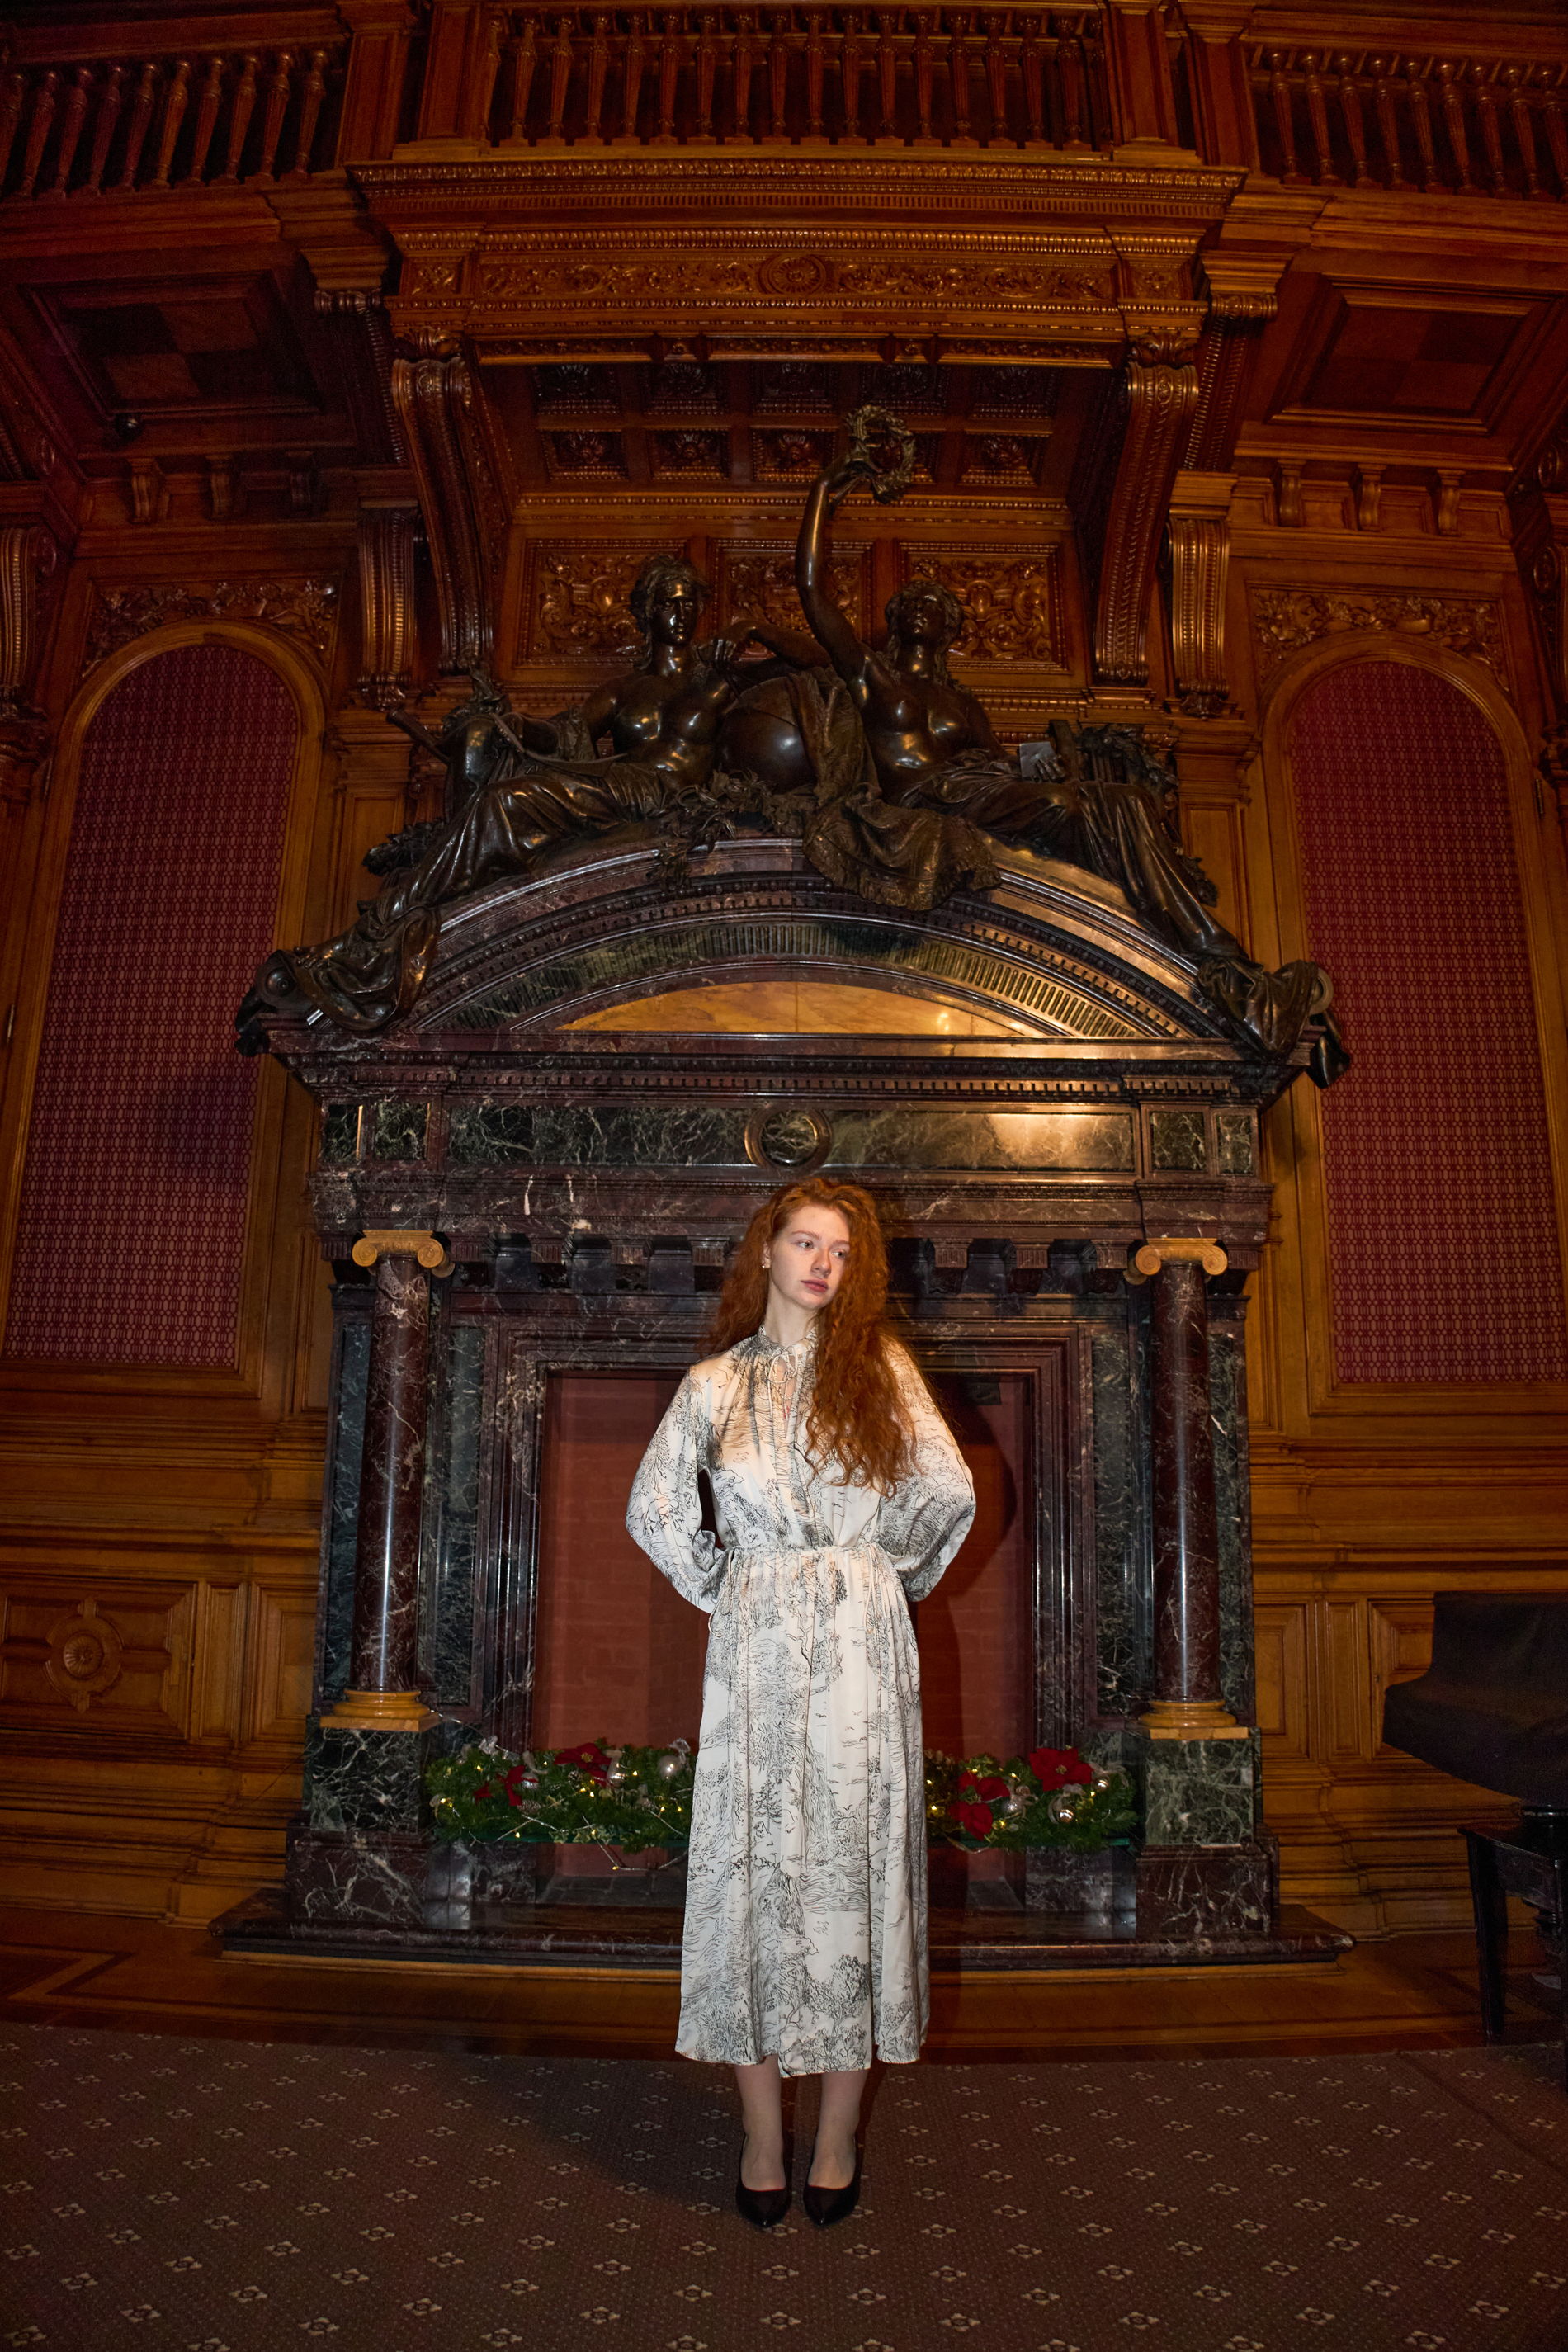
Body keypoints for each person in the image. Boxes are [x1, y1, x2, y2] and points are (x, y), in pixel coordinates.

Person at [626, 1178, 975, 2229]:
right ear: (766, 1252)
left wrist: (874, 1577)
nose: (824, 1263)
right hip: (759, 1650)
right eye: (807, 1242)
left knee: (850, 1874)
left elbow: (948, 1489)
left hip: (862, 1650)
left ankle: (834, 2137)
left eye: (842, 1251)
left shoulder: (883, 1370)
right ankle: (760, 2134)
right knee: (755, 1872)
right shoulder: (713, 1384)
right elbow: (653, 1509)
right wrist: (733, 1585)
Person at [239, 554, 761, 1036]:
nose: (680, 614)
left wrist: (753, 628)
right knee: (499, 796)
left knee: (503, 804)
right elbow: (568, 737)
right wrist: (510, 723)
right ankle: (399, 916)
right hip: (621, 788)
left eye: (688, 603)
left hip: (667, 798)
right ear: (647, 613)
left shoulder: (719, 678)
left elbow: (805, 669)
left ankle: (382, 924)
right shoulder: (624, 690)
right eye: (668, 603)